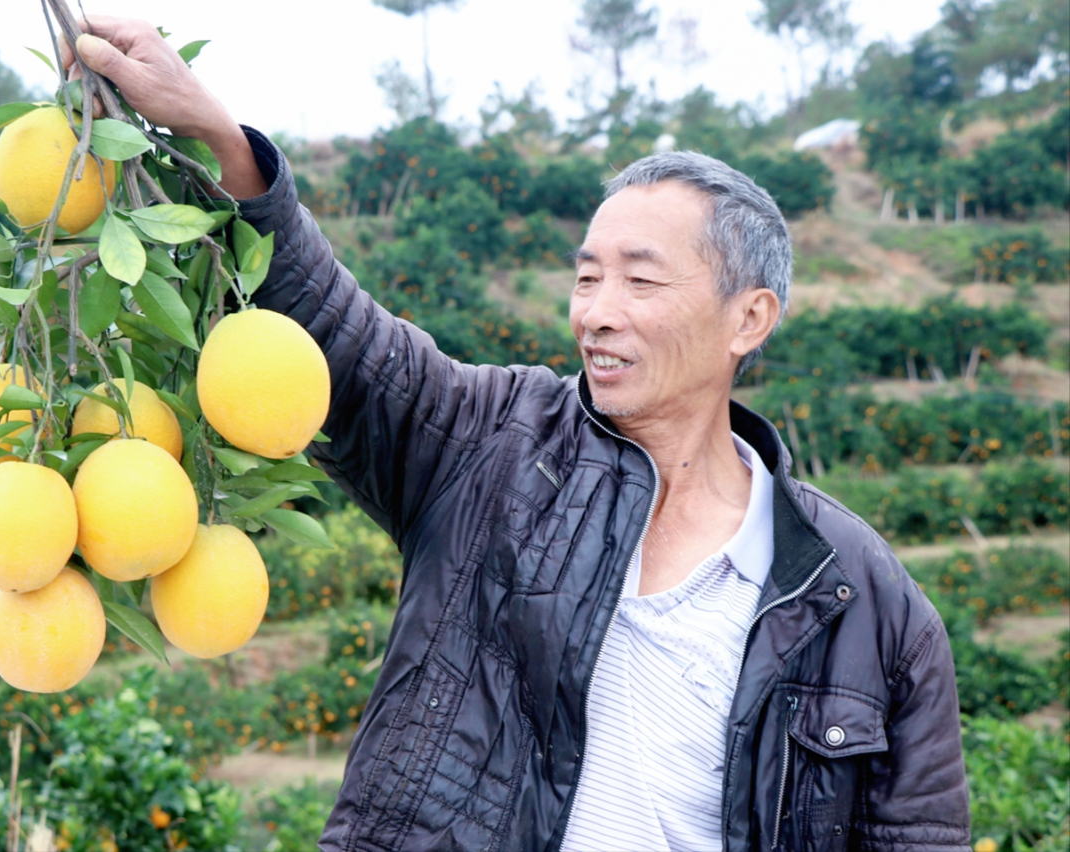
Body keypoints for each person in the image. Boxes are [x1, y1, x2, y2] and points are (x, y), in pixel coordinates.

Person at [61, 18, 971, 852]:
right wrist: (222, 142)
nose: (598, 315)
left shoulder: (866, 605)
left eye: (640, 284)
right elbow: (331, 337)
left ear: (750, 317)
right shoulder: (488, 445)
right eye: (586, 279)